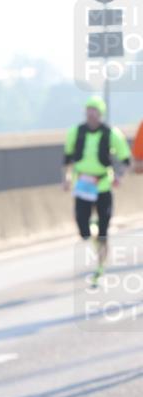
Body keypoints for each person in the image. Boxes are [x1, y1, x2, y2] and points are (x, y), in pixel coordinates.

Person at [62, 95, 132, 284]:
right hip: (83, 184)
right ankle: (92, 233)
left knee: (103, 230)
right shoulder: (76, 132)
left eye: (95, 111)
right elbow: (67, 158)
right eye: (88, 111)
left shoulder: (111, 134)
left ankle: (100, 267)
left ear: (100, 114)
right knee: (83, 227)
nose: (91, 115)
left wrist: (119, 176)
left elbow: (125, 159)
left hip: (102, 185)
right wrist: (67, 179)